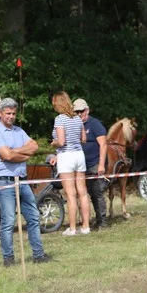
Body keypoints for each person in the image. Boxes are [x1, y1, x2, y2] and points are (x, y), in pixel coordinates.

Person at [0, 98, 51, 265]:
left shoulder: (19, 131)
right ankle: (8, 258)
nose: (11, 116)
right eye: (8, 113)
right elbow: (6, 155)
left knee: (33, 217)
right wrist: (17, 154)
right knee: (8, 221)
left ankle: (38, 254)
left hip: (22, 180)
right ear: (0, 114)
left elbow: (34, 147)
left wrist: (14, 152)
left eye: (13, 114)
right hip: (4, 181)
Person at [52, 92, 89, 236]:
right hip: (79, 155)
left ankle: (72, 228)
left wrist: (53, 143)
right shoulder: (77, 118)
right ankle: (85, 226)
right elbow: (84, 139)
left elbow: (61, 141)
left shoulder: (60, 119)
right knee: (83, 192)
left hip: (66, 156)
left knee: (70, 194)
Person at [78, 100, 109, 229]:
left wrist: (101, 165)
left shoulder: (95, 124)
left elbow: (103, 144)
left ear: (87, 110)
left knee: (97, 192)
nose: (79, 114)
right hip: (80, 165)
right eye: (76, 112)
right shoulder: (75, 124)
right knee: (84, 193)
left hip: (95, 163)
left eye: (81, 111)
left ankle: (102, 221)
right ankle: (86, 221)